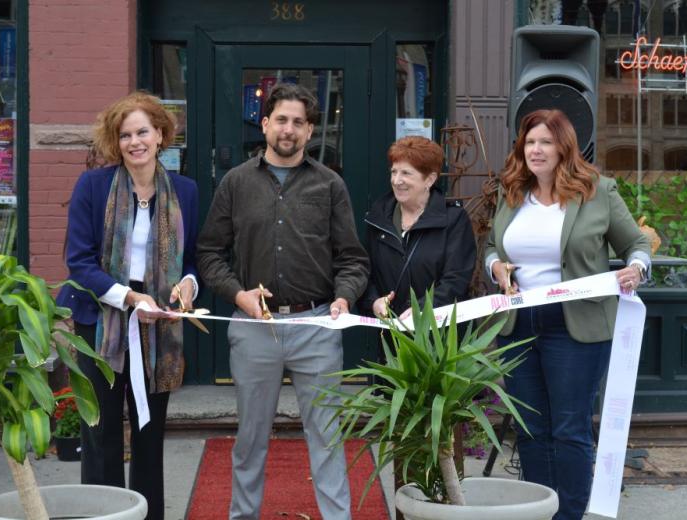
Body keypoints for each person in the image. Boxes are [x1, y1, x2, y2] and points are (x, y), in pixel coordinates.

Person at [196, 82, 369, 520]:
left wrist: (344, 299)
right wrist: (238, 294)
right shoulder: (235, 183)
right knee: (251, 437)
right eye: (281, 120)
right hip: (254, 328)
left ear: (310, 130)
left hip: (316, 324)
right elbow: (209, 253)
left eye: (298, 122)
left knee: (327, 437)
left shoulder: (330, 185)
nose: (288, 129)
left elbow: (352, 258)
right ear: (265, 122)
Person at [485, 109, 650, 520]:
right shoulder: (512, 192)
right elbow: (491, 246)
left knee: (570, 431)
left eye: (545, 142)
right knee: (530, 430)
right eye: (529, 142)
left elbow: (637, 244)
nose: (536, 150)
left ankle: (571, 513)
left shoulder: (598, 191)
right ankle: (539, 511)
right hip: (519, 324)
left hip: (574, 327)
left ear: (564, 147)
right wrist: (495, 268)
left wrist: (637, 268)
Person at [57, 92, 200, 520]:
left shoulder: (186, 191)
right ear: (115, 142)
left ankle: (147, 515)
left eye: (142, 132)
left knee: (149, 431)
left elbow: (191, 258)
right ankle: (103, 515)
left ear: (160, 135)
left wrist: (188, 286)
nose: (134, 141)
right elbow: (78, 261)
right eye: (125, 135)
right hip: (100, 320)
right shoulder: (94, 186)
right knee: (99, 431)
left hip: (158, 324)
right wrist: (130, 297)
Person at [362, 136, 476, 320]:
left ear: (429, 179)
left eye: (406, 173)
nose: (397, 181)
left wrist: (422, 309)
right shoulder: (378, 219)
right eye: (394, 172)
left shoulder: (454, 220)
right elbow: (364, 273)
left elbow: (456, 279)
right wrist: (374, 301)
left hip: (440, 336)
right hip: (392, 337)